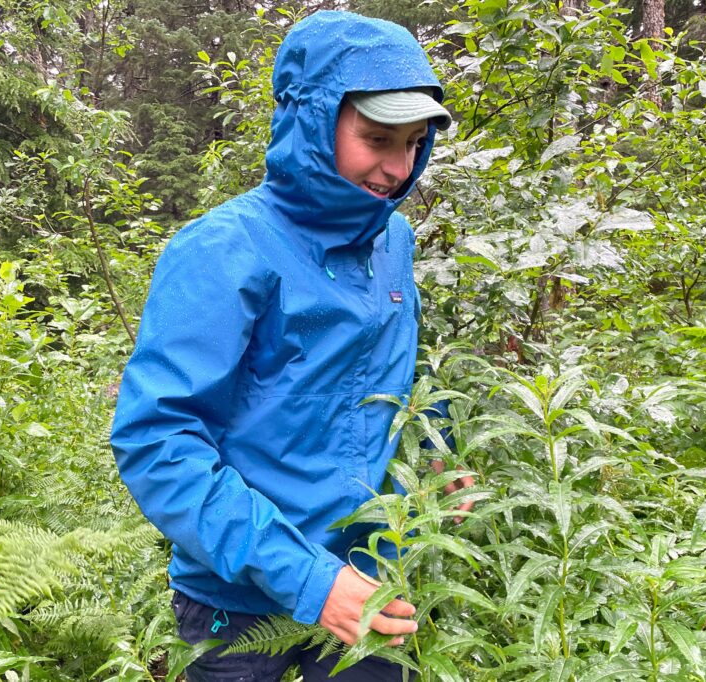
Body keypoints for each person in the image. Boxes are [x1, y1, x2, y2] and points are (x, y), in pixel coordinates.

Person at [110, 9, 471, 680]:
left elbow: (393, 377)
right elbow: (158, 442)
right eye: (377, 138)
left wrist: (437, 454)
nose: (397, 169)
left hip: (373, 583)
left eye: (414, 142)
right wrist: (306, 578)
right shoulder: (223, 250)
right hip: (239, 599)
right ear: (313, 117)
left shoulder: (391, 241)